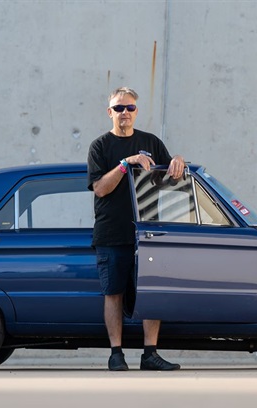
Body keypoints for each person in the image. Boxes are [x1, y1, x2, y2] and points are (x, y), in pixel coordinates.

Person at [87, 87, 185, 371]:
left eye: (129, 108)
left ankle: (150, 354)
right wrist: (124, 164)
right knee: (113, 293)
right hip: (111, 233)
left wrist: (177, 161)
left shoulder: (151, 142)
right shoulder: (100, 146)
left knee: (151, 291)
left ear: (136, 111)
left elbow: (170, 181)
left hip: (148, 234)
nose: (125, 113)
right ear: (110, 112)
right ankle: (116, 354)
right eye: (118, 108)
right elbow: (100, 189)